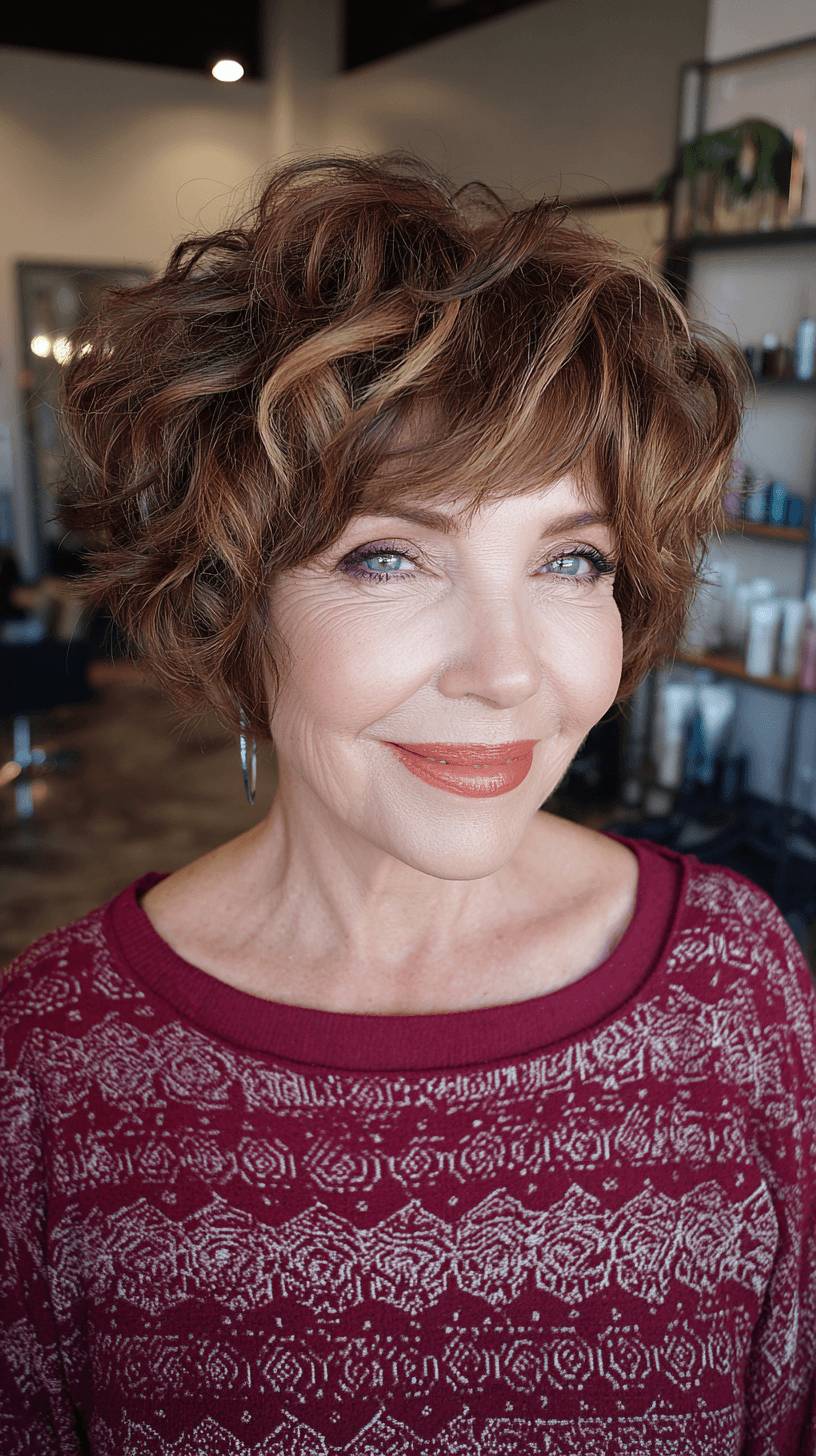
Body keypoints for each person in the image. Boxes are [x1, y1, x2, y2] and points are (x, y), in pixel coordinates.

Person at [2, 150, 814, 1455]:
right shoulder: (53, 1058)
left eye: (572, 561)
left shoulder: (734, 987)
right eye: (390, 555)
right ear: (230, 596)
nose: (505, 672)